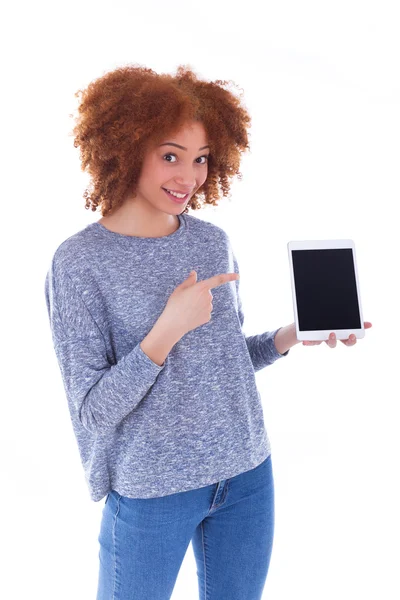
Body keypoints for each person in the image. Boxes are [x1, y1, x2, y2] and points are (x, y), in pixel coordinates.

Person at [44, 64, 372, 600]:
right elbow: (93, 410)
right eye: (170, 155)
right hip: (152, 491)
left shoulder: (211, 241)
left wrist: (289, 336)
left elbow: (222, 360)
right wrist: (164, 331)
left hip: (246, 474)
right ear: (125, 149)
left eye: (200, 160)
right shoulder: (80, 264)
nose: (188, 177)